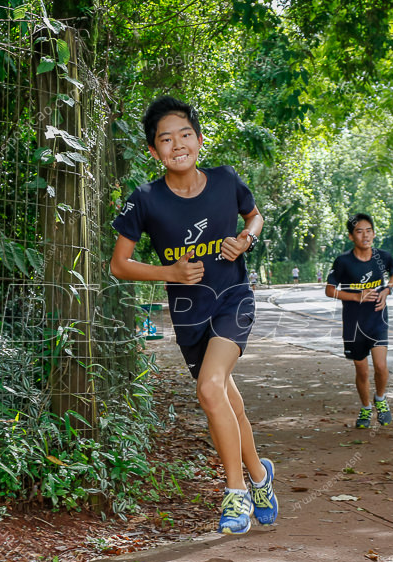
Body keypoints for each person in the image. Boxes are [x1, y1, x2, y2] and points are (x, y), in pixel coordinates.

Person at [110, 96, 277, 534]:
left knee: (209, 389)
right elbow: (119, 264)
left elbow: (255, 217)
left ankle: (236, 494)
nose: (177, 144)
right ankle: (260, 477)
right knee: (226, 399)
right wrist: (170, 272)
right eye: (165, 139)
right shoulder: (144, 200)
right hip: (189, 314)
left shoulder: (225, 181)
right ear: (154, 151)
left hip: (233, 298)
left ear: (199, 140)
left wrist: (245, 240)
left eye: (185, 134)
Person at [324, 213, 393, 428]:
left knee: (381, 366)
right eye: (359, 231)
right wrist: (356, 297)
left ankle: (381, 399)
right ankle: (366, 408)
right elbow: (330, 290)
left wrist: (388, 289)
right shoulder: (343, 261)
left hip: (377, 320)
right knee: (362, 370)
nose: (365, 235)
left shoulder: (382, 257)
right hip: (354, 325)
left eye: (368, 231)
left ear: (374, 233)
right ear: (351, 236)